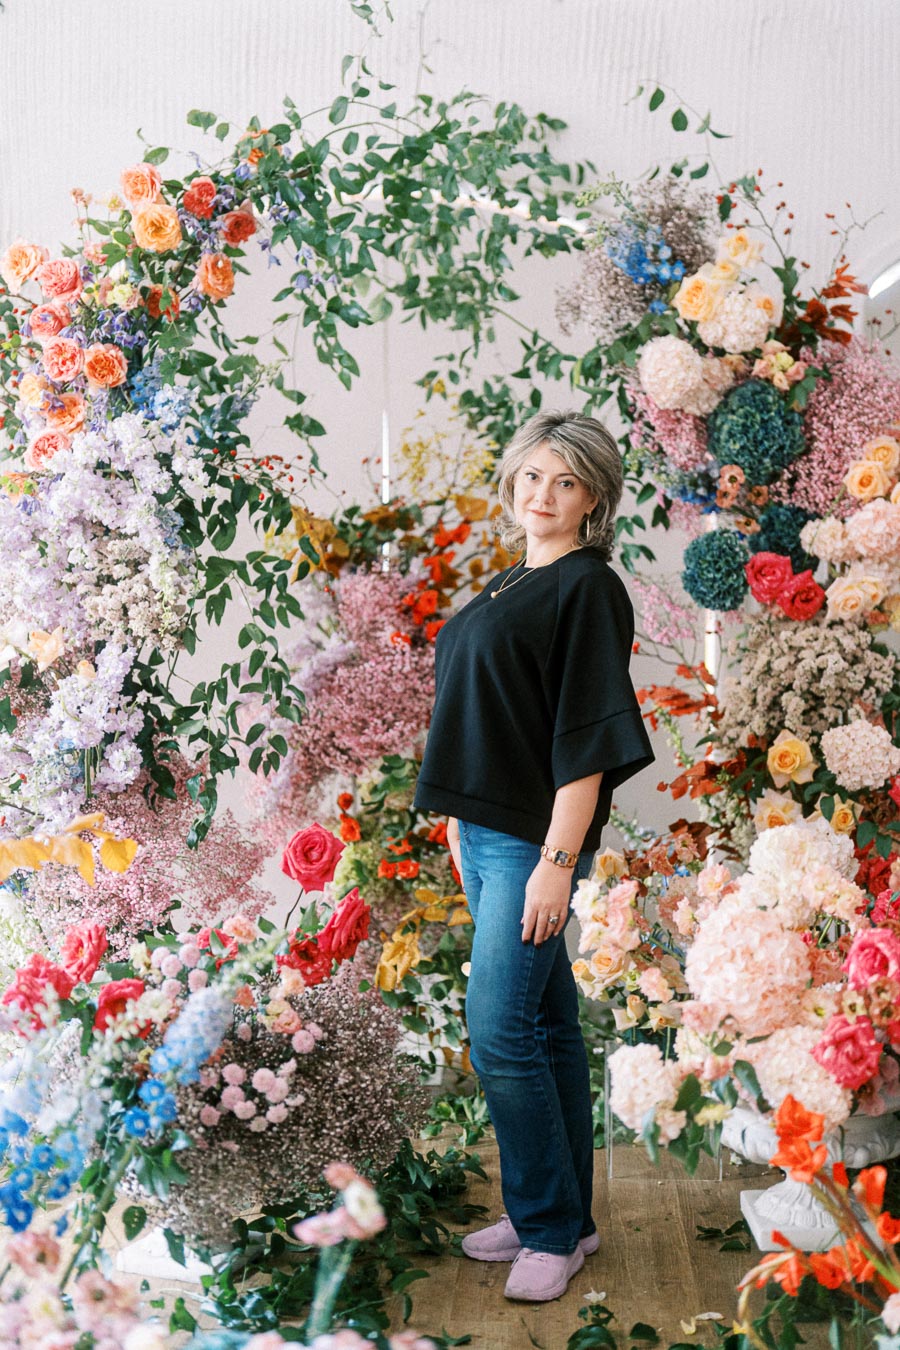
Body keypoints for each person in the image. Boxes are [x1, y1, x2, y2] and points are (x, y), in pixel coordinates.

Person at [413, 409, 654, 1302]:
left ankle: (549, 1230)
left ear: (594, 499)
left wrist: (558, 861)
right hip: (485, 836)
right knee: (545, 1028)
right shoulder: (514, 579)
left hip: (534, 844)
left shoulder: (588, 587)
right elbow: (488, 714)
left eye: (565, 481)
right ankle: (559, 1216)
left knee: (501, 1034)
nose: (542, 494)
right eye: (531, 476)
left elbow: (585, 739)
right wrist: (457, 822)